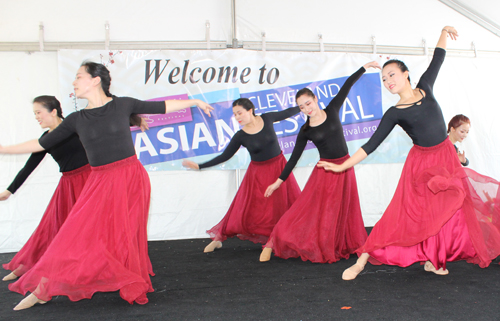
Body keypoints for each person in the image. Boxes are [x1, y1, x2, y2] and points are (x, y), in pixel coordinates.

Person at [0, 61, 213, 310]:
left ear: (95, 80)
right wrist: (3, 148)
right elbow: (40, 145)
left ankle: (129, 281)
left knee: (127, 233)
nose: (74, 82)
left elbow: (162, 106)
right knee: (76, 233)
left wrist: (195, 102)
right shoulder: (76, 120)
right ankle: (45, 289)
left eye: (78, 77)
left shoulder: (123, 104)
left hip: (131, 177)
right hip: (100, 180)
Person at [318, 26, 500, 280]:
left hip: (446, 157)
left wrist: (444, 33)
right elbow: (371, 144)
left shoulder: (426, 87)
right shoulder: (395, 113)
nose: (388, 81)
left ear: (406, 74)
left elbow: (438, 58)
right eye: (383, 79)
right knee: (403, 213)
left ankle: (433, 259)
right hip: (422, 166)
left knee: (450, 210)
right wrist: (342, 166)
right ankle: (362, 260)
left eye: (391, 74)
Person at [260, 61, 381, 263]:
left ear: (315, 100)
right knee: (307, 211)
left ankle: (335, 243)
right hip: (325, 172)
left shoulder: (332, 109)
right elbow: (293, 159)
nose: (306, 108)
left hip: (345, 167)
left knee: (344, 209)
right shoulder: (305, 131)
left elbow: (347, 85)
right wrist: (278, 182)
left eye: (308, 103)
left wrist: (364, 67)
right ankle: (273, 242)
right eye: (301, 107)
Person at [182, 98, 301, 253]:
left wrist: (304, 107)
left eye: (240, 113)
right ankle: (219, 239)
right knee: (244, 208)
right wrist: (199, 166)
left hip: (279, 170)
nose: (237, 117)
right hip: (257, 175)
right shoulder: (241, 136)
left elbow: (288, 112)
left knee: (281, 206)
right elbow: (224, 156)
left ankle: (273, 240)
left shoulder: (267, 118)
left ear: (250, 110)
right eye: (235, 115)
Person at [2, 96, 90, 281]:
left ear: (53, 111)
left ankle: (84, 268)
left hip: (90, 181)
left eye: (38, 112)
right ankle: (29, 264)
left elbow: (104, 131)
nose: (36, 117)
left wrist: (134, 120)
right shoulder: (45, 139)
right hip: (68, 185)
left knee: (86, 228)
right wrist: (9, 191)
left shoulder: (75, 126)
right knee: (50, 228)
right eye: (34, 113)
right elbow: (28, 167)